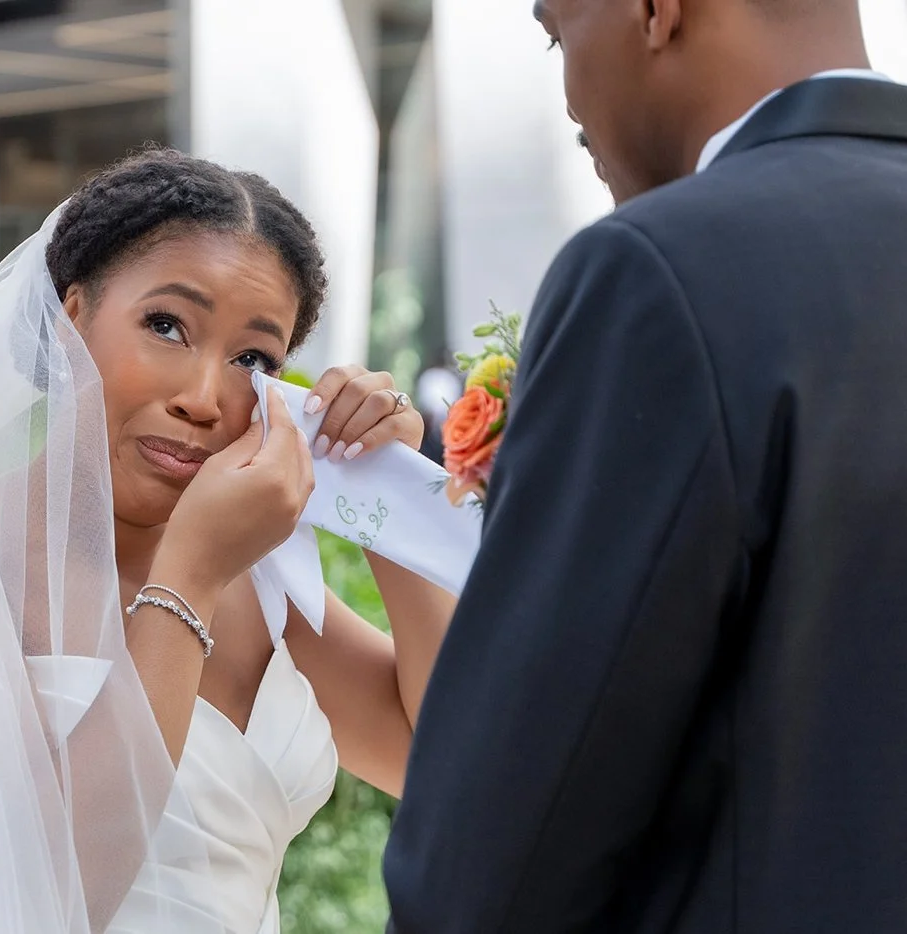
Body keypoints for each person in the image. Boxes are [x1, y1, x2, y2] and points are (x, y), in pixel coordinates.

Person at [0, 149, 459, 934]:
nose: (204, 397)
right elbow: (51, 895)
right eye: (166, 326)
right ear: (71, 317)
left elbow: (450, 767)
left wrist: (384, 499)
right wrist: (188, 576)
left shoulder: (261, 577)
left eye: (253, 358)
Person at [385, 1, 907, 932]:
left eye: (557, 33)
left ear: (655, 11)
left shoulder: (666, 270)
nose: (571, 98)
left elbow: (498, 856)